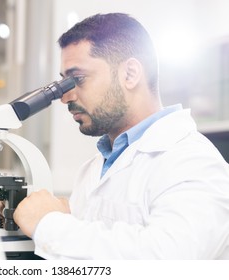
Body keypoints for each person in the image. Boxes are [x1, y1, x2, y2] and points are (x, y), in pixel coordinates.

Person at [12, 12, 229, 259]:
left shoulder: (193, 162)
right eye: (63, 83)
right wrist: (46, 213)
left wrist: (48, 224)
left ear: (130, 74)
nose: (65, 97)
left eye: (78, 79)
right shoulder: (94, 168)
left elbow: (169, 259)